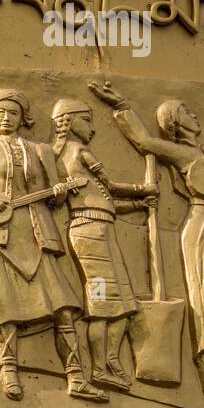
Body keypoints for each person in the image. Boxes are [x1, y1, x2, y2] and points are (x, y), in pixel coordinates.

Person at [89, 81, 204, 408]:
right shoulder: (180, 152)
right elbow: (143, 140)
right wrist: (121, 104)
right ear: (176, 124)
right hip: (202, 229)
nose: (194, 114)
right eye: (186, 112)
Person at [0, 89, 108, 402]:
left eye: (13, 113)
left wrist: (60, 191)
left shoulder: (41, 150)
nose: (6, 118)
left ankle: (76, 376)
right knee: (4, 307)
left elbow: (56, 197)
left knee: (62, 306)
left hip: (39, 234)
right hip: (0, 235)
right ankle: (9, 372)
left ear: (24, 119)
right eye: (0, 113)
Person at [50, 97, 156, 391]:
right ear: (70, 122)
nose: (93, 129)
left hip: (96, 228)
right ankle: (101, 366)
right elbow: (109, 187)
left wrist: (137, 204)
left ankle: (110, 362)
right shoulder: (79, 152)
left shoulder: (58, 156)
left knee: (122, 303)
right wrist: (143, 188)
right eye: (88, 120)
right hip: (91, 234)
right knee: (104, 303)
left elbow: (102, 201)